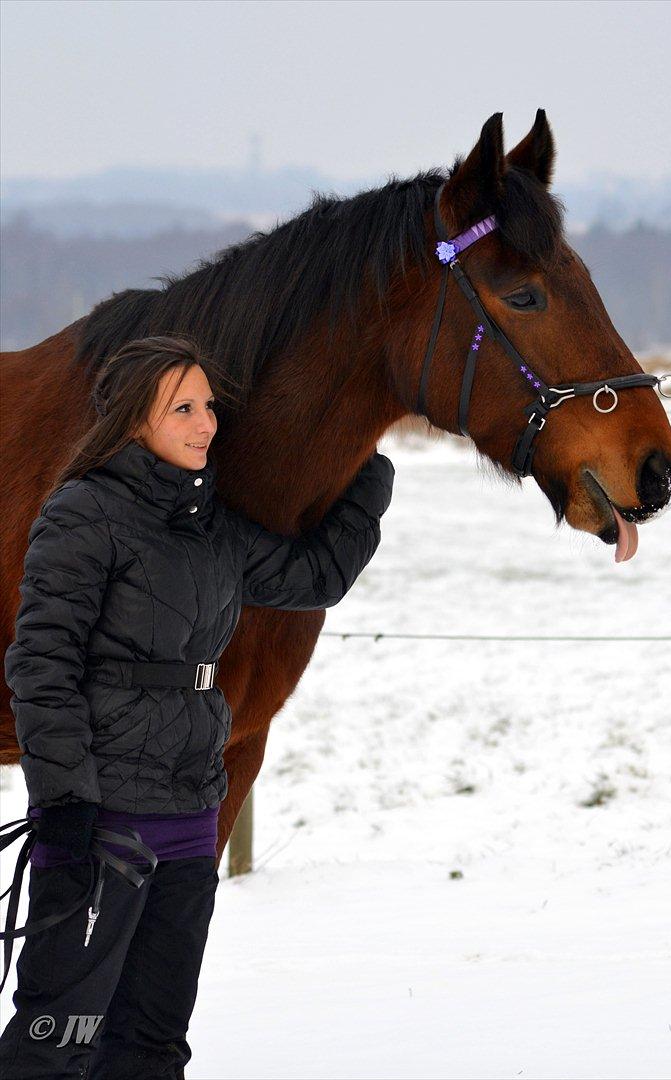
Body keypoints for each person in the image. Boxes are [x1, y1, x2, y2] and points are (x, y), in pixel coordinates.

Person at [0, 335, 394, 1080]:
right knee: (57, 1042)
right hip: (102, 824)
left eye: (208, 405)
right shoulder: (80, 516)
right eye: (182, 407)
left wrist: (366, 480)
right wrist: (67, 802)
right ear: (129, 420)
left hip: (187, 821)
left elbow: (314, 576)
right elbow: (41, 667)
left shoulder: (212, 526)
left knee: (152, 1043)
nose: (205, 423)